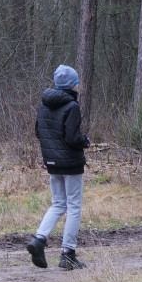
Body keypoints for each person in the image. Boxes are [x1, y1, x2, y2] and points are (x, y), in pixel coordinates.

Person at [26, 64, 91, 270]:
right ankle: (68, 254)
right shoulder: (72, 106)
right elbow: (72, 138)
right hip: (71, 163)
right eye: (77, 82)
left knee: (57, 204)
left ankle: (39, 239)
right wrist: (86, 141)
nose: (78, 85)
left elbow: (39, 133)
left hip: (52, 163)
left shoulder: (44, 104)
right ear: (72, 85)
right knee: (73, 207)